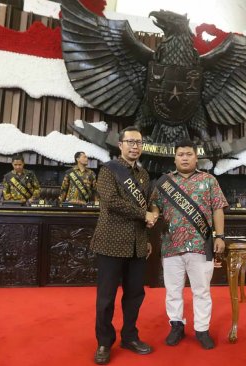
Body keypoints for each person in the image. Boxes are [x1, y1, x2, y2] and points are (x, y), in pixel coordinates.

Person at [150, 140, 228, 350]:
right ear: (174, 158)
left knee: (201, 291)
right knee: (173, 290)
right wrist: (153, 215)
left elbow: (218, 208)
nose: (185, 157)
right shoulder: (164, 182)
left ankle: (202, 329)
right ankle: (176, 326)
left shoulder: (209, 180)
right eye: (181, 154)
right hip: (171, 246)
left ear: (196, 157)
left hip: (201, 246)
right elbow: (154, 207)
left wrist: (220, 236)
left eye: (189, 154)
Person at [91, 126, 157, 365]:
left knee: (135, 295)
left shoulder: (144, 174)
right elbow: (111, 202)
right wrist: (144, 214)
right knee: (106, 297)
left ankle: (129, 336)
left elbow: (148, 209)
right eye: (130, 142)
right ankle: (103, 342)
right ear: (120, 145)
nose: (135, 146)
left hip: (137, 245)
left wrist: (147, 234)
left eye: (138, 142)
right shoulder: (109, 170)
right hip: (110, 241)